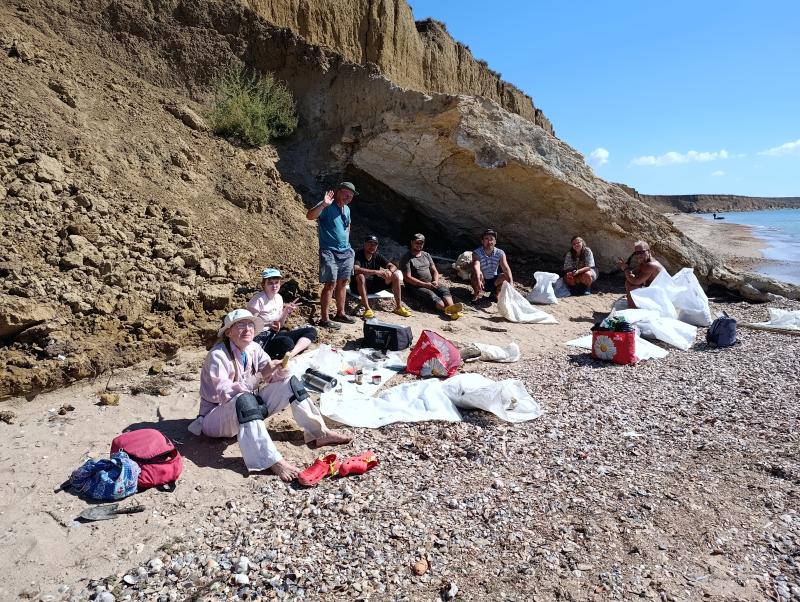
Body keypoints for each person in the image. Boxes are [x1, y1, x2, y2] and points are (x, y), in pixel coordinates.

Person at [193, 309, 351, 481]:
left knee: (290, 381)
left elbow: (272, 378)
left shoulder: (254, 348)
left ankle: (320, 433)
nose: (247, 329)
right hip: (214, 419)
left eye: (250, 325)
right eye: (241, 325)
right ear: (229, 332)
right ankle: (272, 461)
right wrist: (260, 376)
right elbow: (224, 394)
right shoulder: (218, 355)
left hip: (245, 410)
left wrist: (281, 369)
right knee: (243, 399)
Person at [305, 182, 358, 329]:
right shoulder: (327, 205)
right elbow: (309, 216)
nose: (348, 197)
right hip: (329, 251)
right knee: (330, 284)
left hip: (346, 251)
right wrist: (323, 204)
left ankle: (340, 313)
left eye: (351, 195)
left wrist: (347, 243)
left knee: (343, 283)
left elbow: (347, 225)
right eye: (346, 193)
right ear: (338, 191)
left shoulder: (346, 209)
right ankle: (324, 318)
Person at [247, 268, 317, 359]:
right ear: (263, 285)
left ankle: (291, 354)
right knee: (287, 342)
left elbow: (281, 324)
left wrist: (285, 311)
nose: (274, 286)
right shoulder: (257, 300)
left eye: (276, 282)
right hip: (261, 338)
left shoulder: (279, 298)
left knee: (311, 330)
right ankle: (282, 354)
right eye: (270, 283)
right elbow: (248, 325)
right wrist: (267, 324)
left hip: (274, 334)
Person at [400, 233, 463, 320]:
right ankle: (448, 311)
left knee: (444, 289)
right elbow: (407, 277)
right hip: (415, 286)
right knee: (432, 296)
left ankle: (452, 308)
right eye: (417, 242)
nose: (419, 245)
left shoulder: (426, 255)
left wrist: (436, 281)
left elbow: (434, 271)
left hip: (430, 283)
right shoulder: (406, 258)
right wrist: (424, 285)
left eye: (421, 243)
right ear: (412, 242)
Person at [351, 235, 412, 318]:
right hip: (357, 287)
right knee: (360, 276)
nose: (372, 246)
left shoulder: (377, 256)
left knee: (396, 275)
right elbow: (356, 269)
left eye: (374, 244)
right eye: (370, 244)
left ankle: (398, 307)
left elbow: (393, 266)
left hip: (372, 285)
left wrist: (389, 271)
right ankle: (367, 309)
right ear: (365, 244)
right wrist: (375, 272)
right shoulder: (358, 254)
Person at [616, 240, 664, 308]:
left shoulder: (651, 265)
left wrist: (625, 269)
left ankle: (632, 309)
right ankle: (633, 305)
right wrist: (626, 267)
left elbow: (635, 281)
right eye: (636, 253)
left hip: (659, 297)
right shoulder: (645, 262)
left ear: (649, 252)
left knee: (632, 287)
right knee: (629, 282)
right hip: (654, 292)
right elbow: (633, 273)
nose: (638, 255)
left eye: (641, 252)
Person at [471, 228, 513, 302]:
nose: (489, 241)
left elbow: (506, 268)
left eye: (491, 239)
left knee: (505, 276)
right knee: (476, 274)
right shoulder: (476, 252)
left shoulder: (500, 253)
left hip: (494, 280)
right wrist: (478, 279)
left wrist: (511, 284)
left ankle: (495, 294)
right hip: (482, 280)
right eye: (486, 239)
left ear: (495, 241)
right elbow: (476, 266)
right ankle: (476, 294)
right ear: (482, 241)